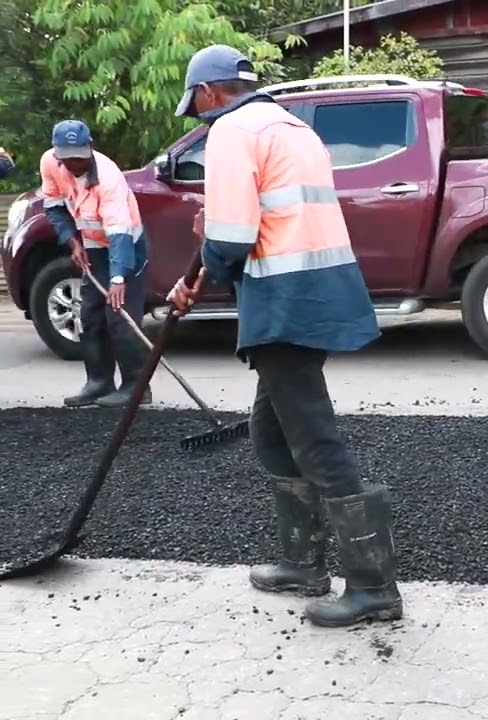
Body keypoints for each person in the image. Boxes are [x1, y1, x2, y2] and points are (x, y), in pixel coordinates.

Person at [165, 44, 400, 628]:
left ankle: (374, 587)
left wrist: (204, 261)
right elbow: (262, 218)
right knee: (274, 431)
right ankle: (303, 563)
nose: (196, 112)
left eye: (195, 101)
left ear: (210, 92)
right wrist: (207, 250)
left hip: (283, 296)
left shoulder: (231, 132)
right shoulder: (294, 127)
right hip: (316, 289)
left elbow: (234, 235)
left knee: (315, 438)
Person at [38, 120, 151, 408]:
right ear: (57, 154)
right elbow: (53, 208)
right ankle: (98, 382)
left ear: (90, 148)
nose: (74, 163)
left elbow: (120, 234)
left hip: (127, 248)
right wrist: (72, 242)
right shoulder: (50, 164)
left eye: (79, 155)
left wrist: (118, 280)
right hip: (92, 247)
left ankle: (136, 387)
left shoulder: (109, 179)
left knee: (119, 316)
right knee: (89, 316)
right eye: (67, 157)